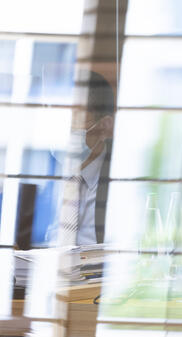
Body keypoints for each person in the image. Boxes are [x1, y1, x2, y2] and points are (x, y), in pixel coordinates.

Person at [47, 70, 115, 245]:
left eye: (76, 117)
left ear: (104, 127)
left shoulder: (120, 184)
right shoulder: (43, 176)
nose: (66, 128)